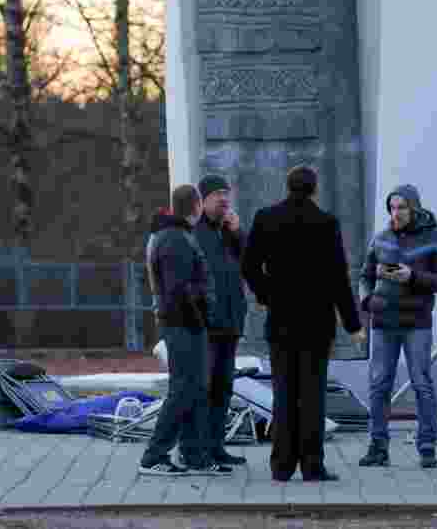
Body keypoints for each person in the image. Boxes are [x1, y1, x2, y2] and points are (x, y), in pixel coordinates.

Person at [241, 165, 366, 482]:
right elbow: (338, 278)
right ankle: (312, 465)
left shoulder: (266, 218)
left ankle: (281, 465)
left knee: (284, 392)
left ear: (288, 186)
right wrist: (353, 324)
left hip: (281, 320)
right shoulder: (326, 223)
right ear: (314, 189)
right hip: (316, 322)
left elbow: (249, 265)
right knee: (312, 395)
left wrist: (267, 294)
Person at [358, 185, 437, 470]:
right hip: (383, 322)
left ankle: (427, 447)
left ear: (414, 207)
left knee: (421, 384)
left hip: (416, 323)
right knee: (379, 385)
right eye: (392, 208)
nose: (396, 213)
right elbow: (364, 276)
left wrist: (412, 276)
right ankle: (378, 447)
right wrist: (368, 300)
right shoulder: (381, 239)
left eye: (401, 207)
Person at [138, 185, 232, 477]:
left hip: (186, 322)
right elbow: (179, 288)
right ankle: (154, 456)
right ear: (196, 206)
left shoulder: (174, 235)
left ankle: (195, 456)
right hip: (184, 324)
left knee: (195, 389)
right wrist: (200, 314)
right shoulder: (175, 238)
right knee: (183, 389)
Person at [193, 174, 248, 466]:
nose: (224, 199)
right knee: (206, 387)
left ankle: (217, 446)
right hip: (207, 324)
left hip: (231, 321)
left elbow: (250, 263)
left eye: (226, 193)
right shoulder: (196, 232)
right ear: (203, 201)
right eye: (217, 194)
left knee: (224, 388)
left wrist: (239, 234)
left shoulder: (228, 232)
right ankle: (199, 448)